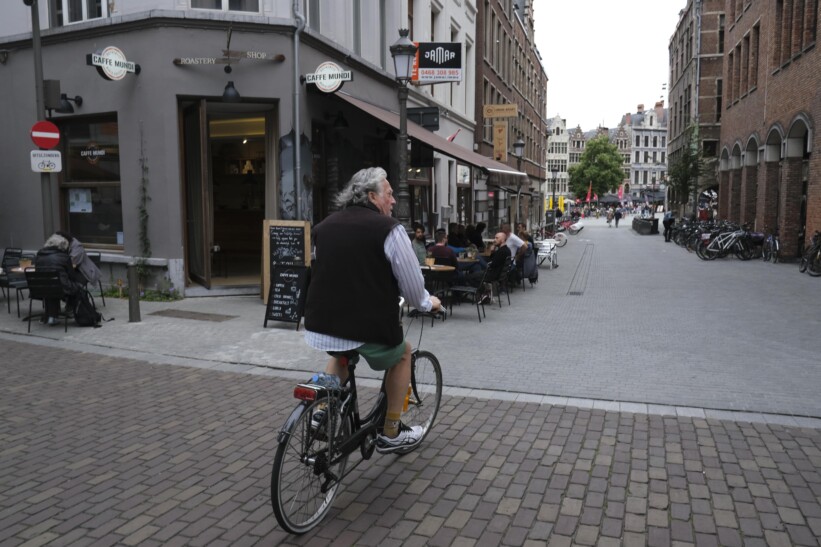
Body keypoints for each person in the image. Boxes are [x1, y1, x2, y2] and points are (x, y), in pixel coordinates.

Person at [303, 167, 441, 454]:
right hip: (364, 326)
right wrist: (429, 302)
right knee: (403, 352)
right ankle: (391, 431)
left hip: (321, 324)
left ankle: (323, 410)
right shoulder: (389, 230)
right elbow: (413, 289)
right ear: (371, 196)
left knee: (342, 353)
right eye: (389, 194)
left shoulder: (323, 227)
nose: (393, 201)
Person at [33, 233, 84, 325]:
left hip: (40, 289)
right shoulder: (64, 257)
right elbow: (72, 275)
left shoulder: (39, 255)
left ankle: (51, 317)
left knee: (50, 286)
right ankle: (74, 312)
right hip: (61, 289)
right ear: (62, 246)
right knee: (75, 286)